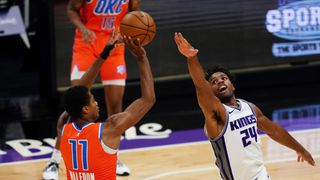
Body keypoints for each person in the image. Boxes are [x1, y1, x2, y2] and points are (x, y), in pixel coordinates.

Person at [174, 32, 316, 180]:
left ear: (232, 85)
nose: (220, 82)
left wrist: (300, 149)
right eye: (214, 82)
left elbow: (273, 130)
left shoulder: (250, 108)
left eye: (223, 78)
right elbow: (201, 86)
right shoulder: (216, 113)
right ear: (212, 92)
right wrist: (191, 57)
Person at [43, 0, 141, 179]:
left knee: (115, 105)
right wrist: (82, 27)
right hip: (87, 43)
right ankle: (54, 161)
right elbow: (71, 9)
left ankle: (113, 156)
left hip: (114, 44)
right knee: (75, 105)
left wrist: (135, 29)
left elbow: (134, 13)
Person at [58, 33, 154, 180]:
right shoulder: (109, 129)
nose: (96, 103)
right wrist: (142, 58)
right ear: (85, 109)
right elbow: (148, 99)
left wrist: (104, 53)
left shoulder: (63, 127)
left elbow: (78, 93)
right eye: (92, 100)